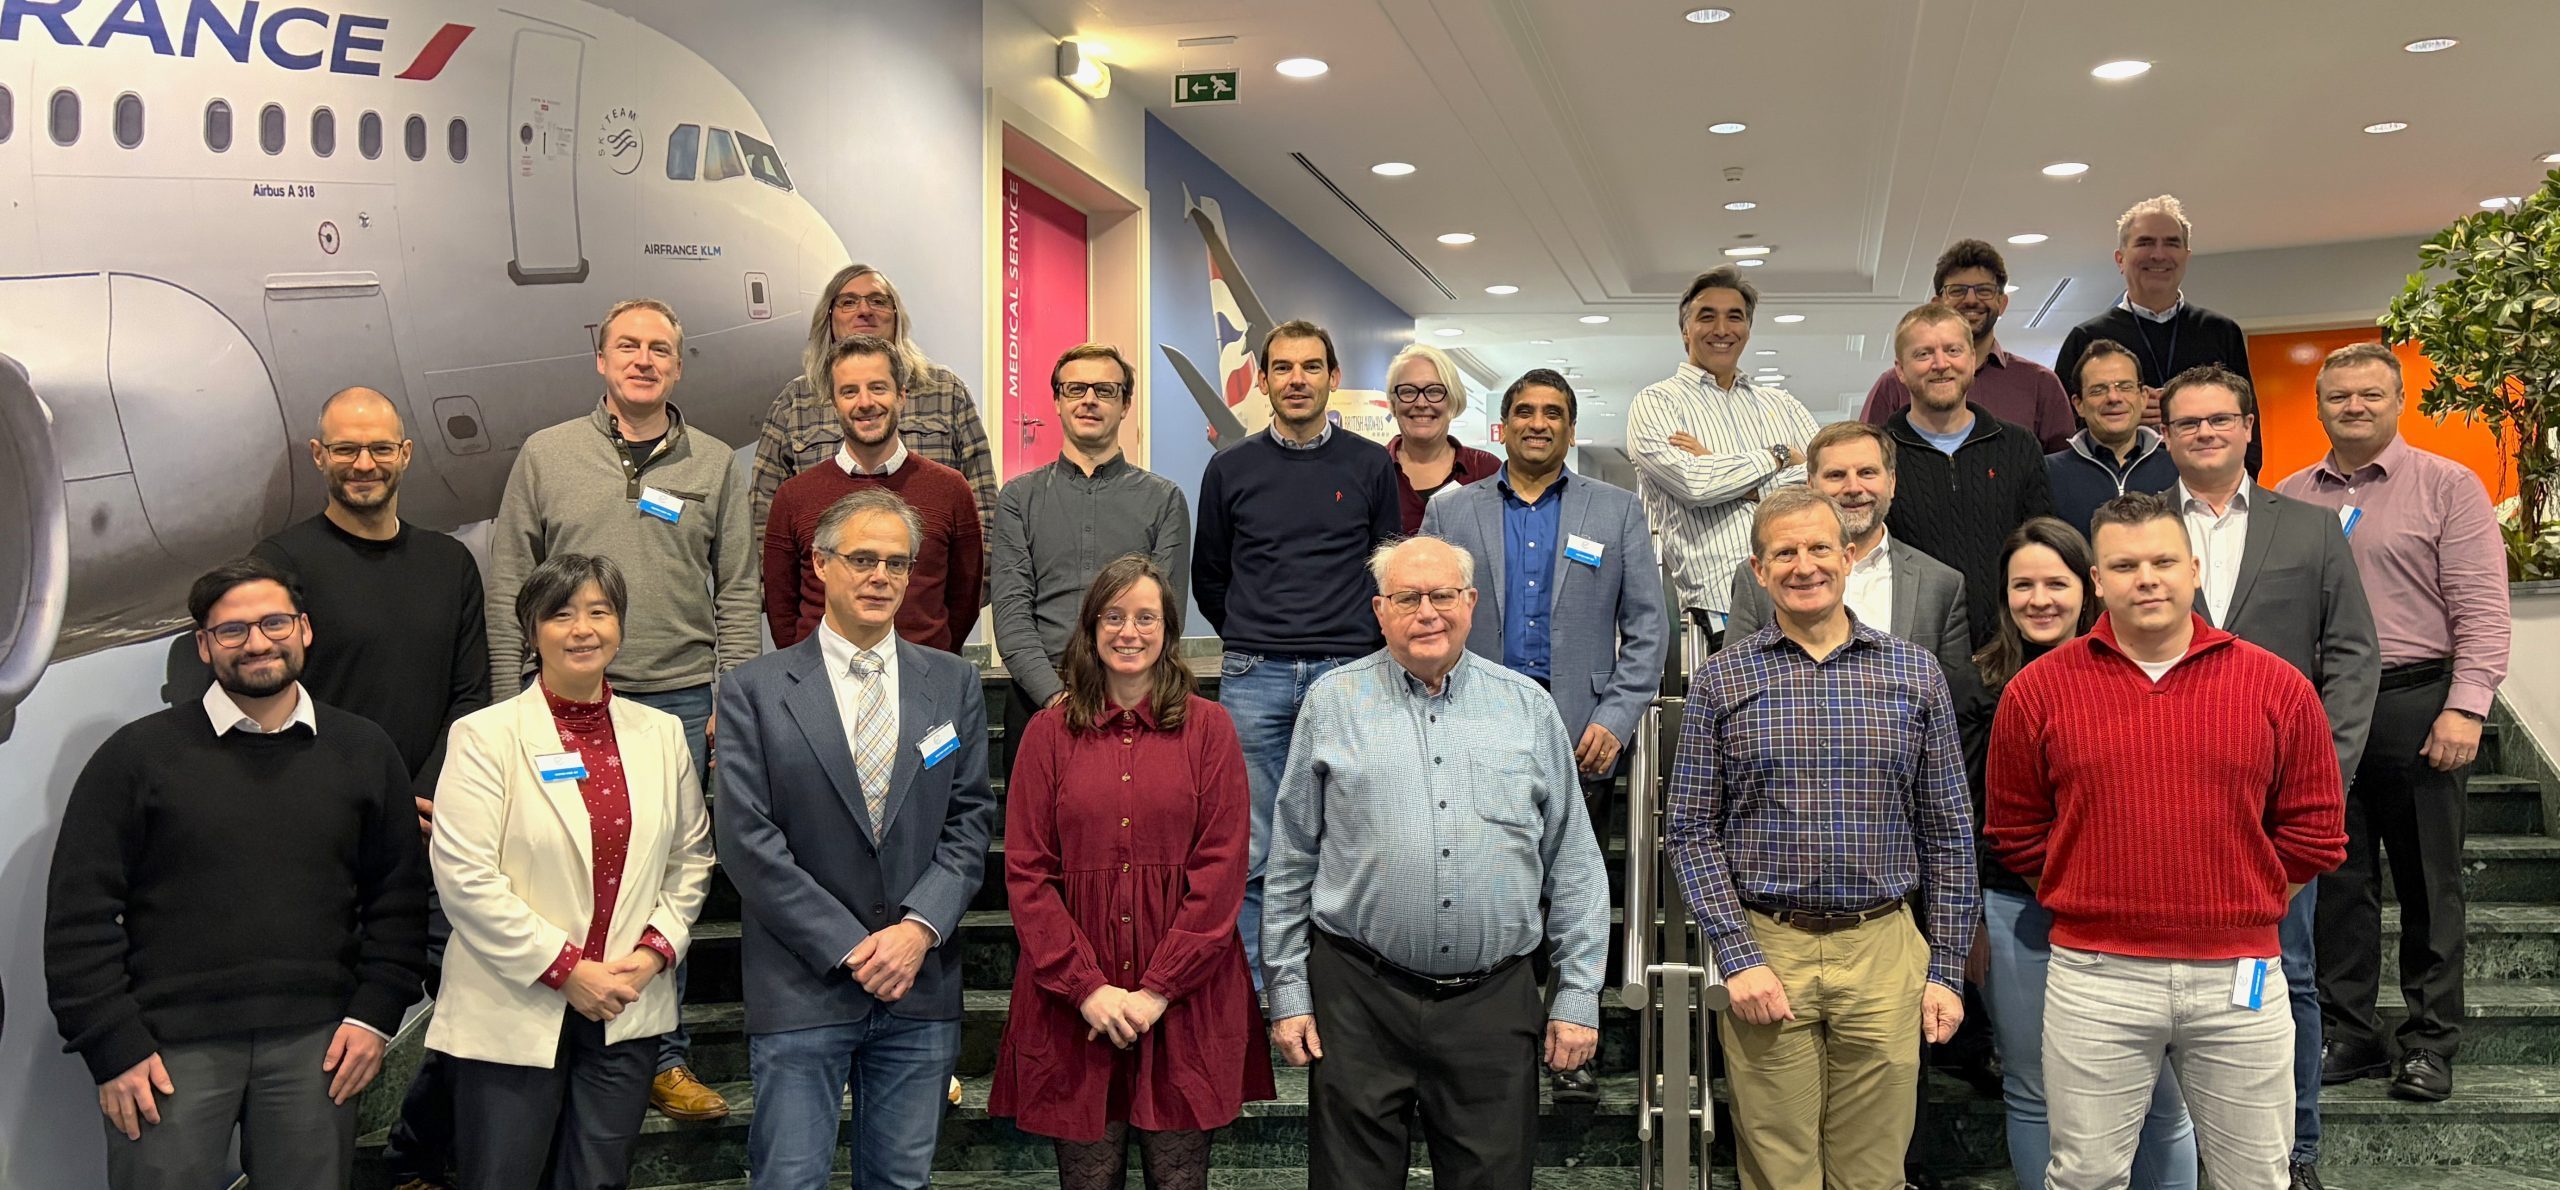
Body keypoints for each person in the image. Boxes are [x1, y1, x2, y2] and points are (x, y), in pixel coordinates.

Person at [1987, 491, 2348, 1190]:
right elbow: (2018, 829)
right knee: (2085, 1177)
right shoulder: (2038, 692)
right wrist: (2090, 894)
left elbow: (2313, 832)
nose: (2146, 580)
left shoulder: (2276, 686)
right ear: (2098, 582)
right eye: (2125, 567)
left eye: (2163, 562)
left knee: (2256, 1179)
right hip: (2096, 976)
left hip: (2240, 976)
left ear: (2194, 569)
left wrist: (2239, 902)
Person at [45, 556, 429, 1190]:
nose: (257, 642)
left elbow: (398, 899)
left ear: (304, 629)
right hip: (164, 1052)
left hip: (321, 1046)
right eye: (232, 630)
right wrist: (112, 1046)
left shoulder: (364, 751)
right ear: (204, 645)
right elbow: (78, 918)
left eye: (275, 622)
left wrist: (375, 1015)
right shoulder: (136, 758)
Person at [1261, 535, 1610, 1190]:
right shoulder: (1332, 703)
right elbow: (1291, 856)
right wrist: (1287, 989)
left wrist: (1578, 992)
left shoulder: (1528, 708)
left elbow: (1574, 862)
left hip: (1493, 1003)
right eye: (1407, 598)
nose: (1427, 612)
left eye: (1442, 595)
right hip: (1357, 998)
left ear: (1470, 602)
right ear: (1380, 610)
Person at [485, 297, 754, 1120]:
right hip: (560, 702)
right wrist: (508, 704)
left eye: (660, 349)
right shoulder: (546, 454)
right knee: (554, 870)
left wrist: (731, 697)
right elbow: (509, 581)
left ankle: (662, 1056)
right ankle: (554, 1042)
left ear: (678, 365)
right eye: (628, 346)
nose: (643, 360)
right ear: (600, 359)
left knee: (662, 880)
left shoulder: (716, 464)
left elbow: (738, 590)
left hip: (677, 702)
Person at [1665, 488, 1976, 1190]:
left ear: (1849, 555)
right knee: (1780, 1170)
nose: (1803, 565)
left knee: (1875, 1173)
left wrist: (1947, 969)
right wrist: (1737, 957)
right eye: (1784, 553)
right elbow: (1689, 830)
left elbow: (1950, 833)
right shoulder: (1721, 679)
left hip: (1884, 948)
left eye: (1818, 548)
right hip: (1769, 947)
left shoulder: (1913, 672)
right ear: (1758, 570)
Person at [715, 488, 999, 1190]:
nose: (880, 577)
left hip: (917, 981)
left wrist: (916, 932)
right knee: (789, 1181)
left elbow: (969, 821)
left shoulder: (953, 683)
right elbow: (748, 840)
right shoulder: (753, 690)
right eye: (862, 559)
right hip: (802, 983)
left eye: (896, 563)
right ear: (820, 563)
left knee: (901, 1182)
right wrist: (849, 946)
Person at [253, 386, 490, 1190]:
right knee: (330, 1032)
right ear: (319, 455)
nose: (364, 463)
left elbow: (471, 694)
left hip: (434, 826)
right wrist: (368, 798)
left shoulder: (450, 564)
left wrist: (425, 793)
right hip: (327, 837)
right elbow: (272, 698)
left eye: (380, 447)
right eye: (347, 449)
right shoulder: (282, 564)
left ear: (405, 454)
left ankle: (422, 1160)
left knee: (466, 1009)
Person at [1419, 368, 1668, 1102]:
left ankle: (1571, 1042)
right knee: (1482, 886)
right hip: (1470, 730)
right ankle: (1492, 1042)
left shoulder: (1615, 510)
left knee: (1572, 891)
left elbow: (1647, 629)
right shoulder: (1451, 511)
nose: (1538, 423)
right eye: (1524, 411)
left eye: (1552, 412)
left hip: (1579, 734)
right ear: (1502, 427)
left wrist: (1615, 719)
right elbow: (1424, 617)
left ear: (1570, 427)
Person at [428, 554, 716, 1188]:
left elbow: (691, 856)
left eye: (599, 612)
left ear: (620, 626)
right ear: (532, 631)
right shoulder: (484, 736)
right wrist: (566, 970)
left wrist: (653, 954)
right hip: (515, 1001)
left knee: (598, 1178)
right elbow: (465, 878)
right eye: (561, 615)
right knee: (502, 1177)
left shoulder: (663, 733)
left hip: (625, 1002)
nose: (583, 629)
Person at [2159, 363, 2377, 1190]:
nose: (2206, 433)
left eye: (2221, 419)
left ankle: (2297, 1152)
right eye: (2188, 423)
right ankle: (2188, 1153)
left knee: (2285, 974)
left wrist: (2325, 778)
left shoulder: (2312, 529)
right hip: (2171, 801)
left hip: (2278, 808)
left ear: (2248, 427)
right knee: (2171, 985)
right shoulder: (2141, 528)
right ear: (2166, 437)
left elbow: (2352, 656)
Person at [989, 555, 1274, 1189]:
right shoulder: (1047, 733)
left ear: (1168, 631)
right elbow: (1028, 873)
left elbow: (1222, 869)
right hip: (1074, 1005)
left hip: (1184, 1002)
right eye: (1114, 617)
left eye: (1146, 618)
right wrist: (1087, 988)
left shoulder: (1210, 729)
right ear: (1091, 627)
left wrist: (1157, 989)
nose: (1129, 632)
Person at [2276, 342, 2511, 1104]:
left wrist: (2466, 706)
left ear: (2399, 401)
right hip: (2321, 710)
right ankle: (2350, 1033)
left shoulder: (2448, 486)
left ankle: (2429, 1042)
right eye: (2339, 396)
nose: (2354, 407)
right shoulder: (2290, 495)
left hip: (2418, 703)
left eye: (2370, 394)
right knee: (2338, 880)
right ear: (2318, 406)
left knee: (2427, 884)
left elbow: (2482, 609)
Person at [1965, 518, 2199, 1190]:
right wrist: (1968, 918)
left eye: (2056, 583)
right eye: (2023, 585)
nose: (2040, 599)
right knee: (2035, 1088)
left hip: (2131, 918)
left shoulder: (2137, 672)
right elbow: (1966, 815)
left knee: (2162, 1095)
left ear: (2088, 587)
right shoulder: (1976, 686)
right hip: (2016, 912)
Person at [1192, 319, 1400, 985]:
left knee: (1351, 834)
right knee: (1252, 843)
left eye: (1311, 367)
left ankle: (1339, 986)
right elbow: (1210, 576)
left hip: (1349, 672)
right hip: (1254, 673)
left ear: (1333, 378)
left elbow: (1388, 571)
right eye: (1282, 368)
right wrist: (1256, 632)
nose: (1297, 380)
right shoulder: (1230, 468)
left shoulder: (1371, 466)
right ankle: (1261, 990)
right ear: (1263, 381)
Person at [989, 344, 1190, 753]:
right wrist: (1054, 698)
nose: (1089, 400)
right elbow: (1011, 615)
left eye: (1105, 390)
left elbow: (1164, 616)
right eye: (1076, 389)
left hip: (1134, 704)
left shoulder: (1164, 500)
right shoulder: (1018, 499)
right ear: (1058, 402)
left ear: (1125, 404)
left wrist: (1118, 701)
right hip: (1037, 703)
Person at [1627, 265, 1819, 644]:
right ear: (1685, 330)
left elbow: (1823, 481)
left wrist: (1719, 465)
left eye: (1734, 317)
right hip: (1720, 607)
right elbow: (1695, 484)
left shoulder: (1781, 403)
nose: (1721, 329)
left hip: (1804, 593)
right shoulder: (1656, 403)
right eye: (1706, 316)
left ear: (1747, 329)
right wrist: (1778, 456)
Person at [765, 333, 984, 653]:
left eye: (878, 388)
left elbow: (965, 599)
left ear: (901, 396)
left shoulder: (951, 490)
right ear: (834, 403)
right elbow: (781, 609)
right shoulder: (794, 497)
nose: (865, 402)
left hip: (923, 673)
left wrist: (929, 659)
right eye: (849, 391)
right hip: (820, 674)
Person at [752, 262, 998, 542]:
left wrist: (980, 568)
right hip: (826, 568)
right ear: (829, 317)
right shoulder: (794, 403)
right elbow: (763, 516)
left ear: (896, 316)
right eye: (848, 302)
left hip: (928, 567)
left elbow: (984, 504)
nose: (864, 310)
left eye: (878, 301)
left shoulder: (945, 391)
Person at [1722, 421, 1973, 683]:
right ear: (1811, 485)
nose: (1853, 488)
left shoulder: (1941, 585)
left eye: (1867, 472)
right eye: (1836, 475)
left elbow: (1953, 697)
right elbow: (1733, 680)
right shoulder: (1759, 577)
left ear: (1891, 482)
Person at [1876, 302, 2056, 648]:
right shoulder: (1879, 456)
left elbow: (2043, 548)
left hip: (2013, 647)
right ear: (1900, 370)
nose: (1940, 364)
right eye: (1923, 354)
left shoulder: (2018, 445)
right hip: (1913, 652)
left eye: (1953, 350)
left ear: (1972, 360)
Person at [2053, 195, 2261, 475]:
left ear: (2186, 256)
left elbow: (2248, 429)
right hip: (2116, 487)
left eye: (2171, 243)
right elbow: (2066, 432)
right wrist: (2123, 413)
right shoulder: (2086, 338)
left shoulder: (2221, 332)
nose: (2158, 255)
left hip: (2208, 486)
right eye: (2145, 243)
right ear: (2120, 259)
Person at [1859, 239, 2077, 451]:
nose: (1971, 300)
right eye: (1957, 290)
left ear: (2002, 303)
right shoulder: (1893, 386)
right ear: (1937, 305)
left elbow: (2061, 468)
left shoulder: (2040, 384)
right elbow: (1864, 458)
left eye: (1984, 290)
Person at [2047, 340, 2178, 540]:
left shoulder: (2178, 466)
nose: (2114, 397)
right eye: (2098, 390)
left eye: (2125, 387)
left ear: (2143, 397)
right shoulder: (2048, 473)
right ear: (2078, 404)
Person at [1385, 342, 1502, 534]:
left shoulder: (1485, 470)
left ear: (1453, 401)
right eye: (1408, 391)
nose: (1421, 403)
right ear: (1393, 403)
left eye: (1434, 391)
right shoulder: (1370, 471)